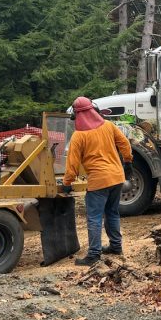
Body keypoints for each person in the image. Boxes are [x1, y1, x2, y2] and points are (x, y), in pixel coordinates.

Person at [61, 97, 133, 265]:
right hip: (117, 177)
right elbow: (124, 143)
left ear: (77, 115)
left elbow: (72, 165)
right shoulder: (108, 125)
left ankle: (94, 254)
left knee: (94, 217)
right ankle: (116, 246)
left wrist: (66, 183)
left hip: (99, 181)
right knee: (112, 212)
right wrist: (128, 162)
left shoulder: (79, 136)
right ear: (93, 110)